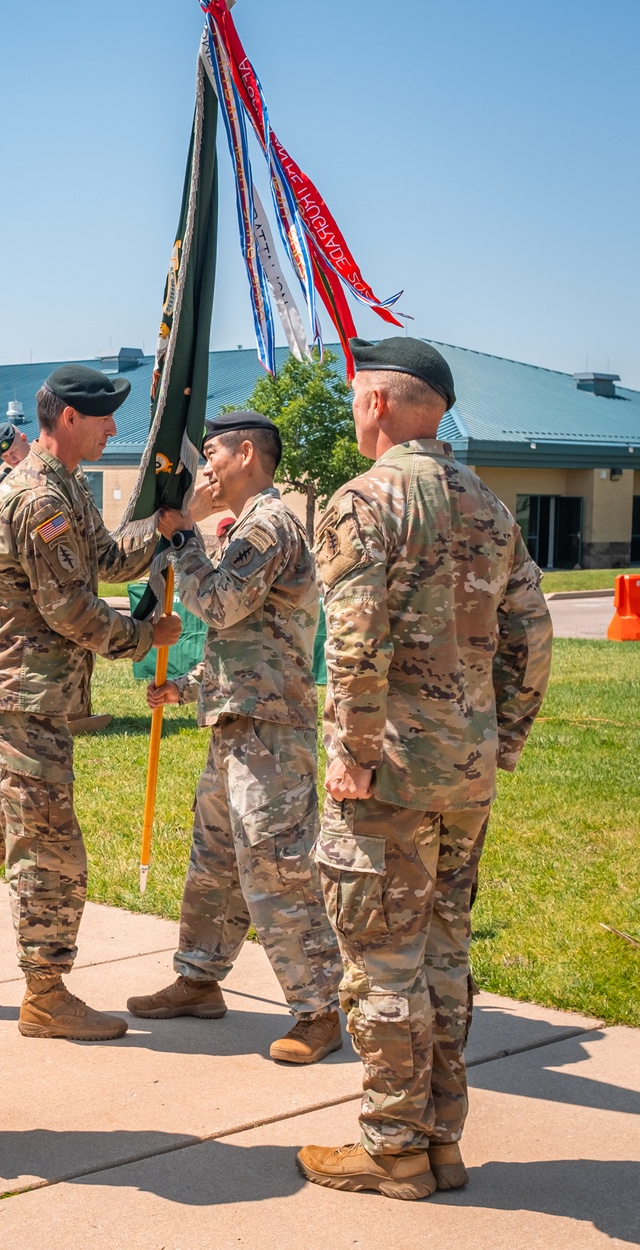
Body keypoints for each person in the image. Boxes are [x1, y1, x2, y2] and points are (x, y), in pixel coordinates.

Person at [296, 338, 552, 1200]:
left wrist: (354, 757)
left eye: (359, 396)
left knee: (381, 959)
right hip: (464, 772)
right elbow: (532, 632)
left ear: (379, 405)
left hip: (391, 776)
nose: (356, 409)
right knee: (443, 951)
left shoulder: (367, 500)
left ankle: (393, 1146)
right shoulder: (486, 500)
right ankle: (441, 1137)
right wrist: (503, 737)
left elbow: (355, 644)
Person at [0, 364, 183, 1040]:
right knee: (51, 852)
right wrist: (144, 636)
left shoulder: (65, 488)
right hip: (26, 702)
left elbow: (104, 558)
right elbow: (71, 610)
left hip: (14, 697)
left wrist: (160, 532)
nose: (114, 428)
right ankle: (45, 994)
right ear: (69, 419)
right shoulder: (39, 500)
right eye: (104, 416)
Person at [127, 411, 343, 1064]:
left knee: (275, 867)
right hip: (238, 725)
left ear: (247, 454)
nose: (206, 466)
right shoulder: (251, 527)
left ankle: (319, 1007)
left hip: (272, 736)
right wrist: (187, 686)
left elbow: (218, 605)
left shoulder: (270, 524)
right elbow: (245, 641)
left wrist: (184, 535)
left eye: (213, 451)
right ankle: (199, 979)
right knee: (215, 863)